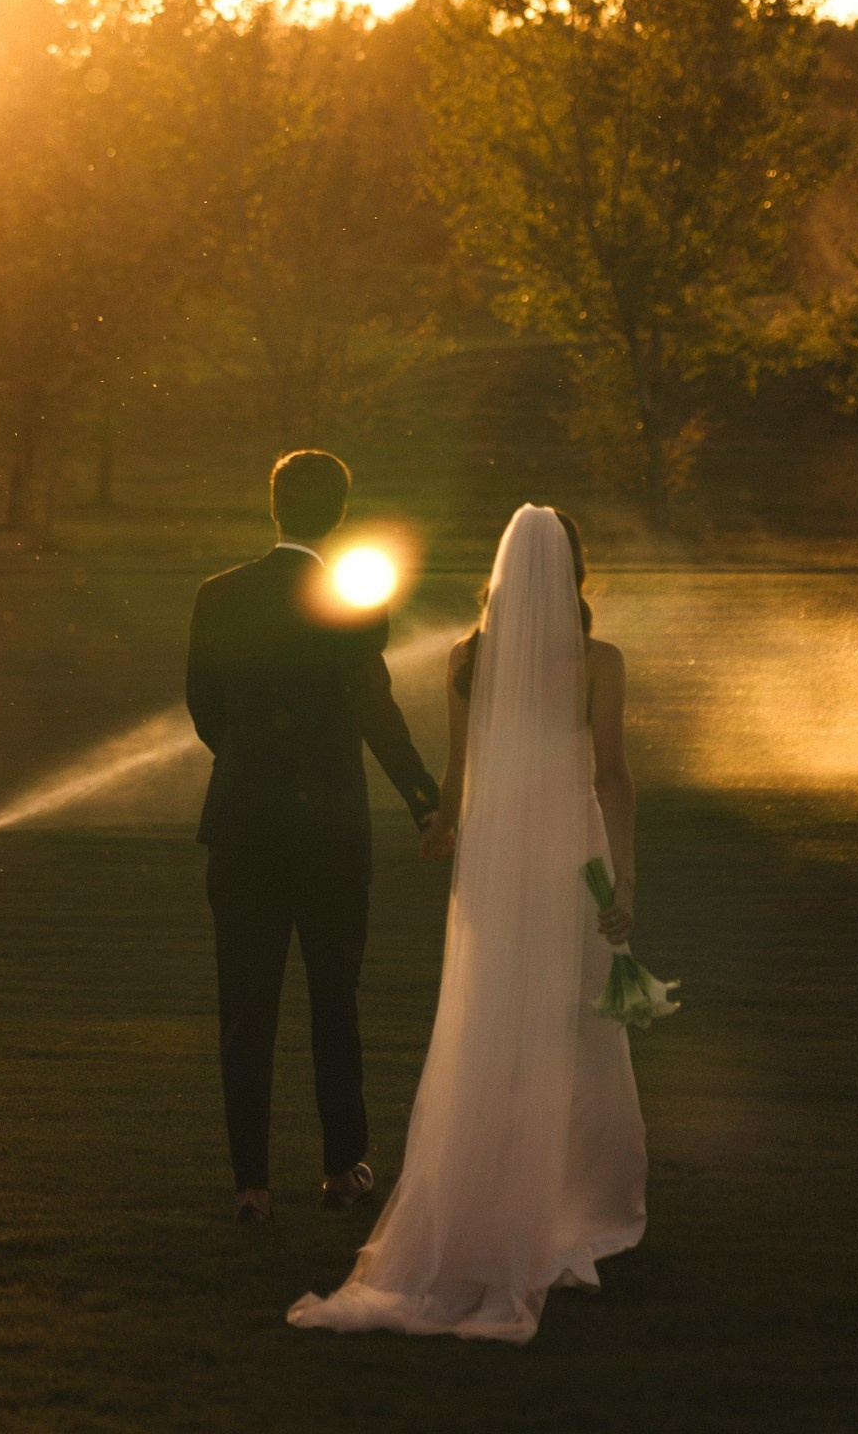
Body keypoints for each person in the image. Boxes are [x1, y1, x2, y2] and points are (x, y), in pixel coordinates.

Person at [289, 503, 648, 1343]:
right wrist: (621, 877)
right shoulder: (599, 661)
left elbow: (460, 775)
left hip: (495, 863)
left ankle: (486, 1202)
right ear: (575, 573)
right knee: (572, 1029)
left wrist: (441, 826)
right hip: (565, 859)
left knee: (490, 1027)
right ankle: (558, 1207)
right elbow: (614, 776)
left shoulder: (465, 658)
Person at [186, 450, 442, 1225]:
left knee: (246, 1007)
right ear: (337, 514)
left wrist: (252, 770)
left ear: (273, 507)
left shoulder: (218, 595)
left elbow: (204, 707)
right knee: (336, 1000)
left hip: (242, 827)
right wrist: (424, 803)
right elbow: (374, 708)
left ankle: (251, 1186)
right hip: (331, 832)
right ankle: (340, 1169)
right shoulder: (353, 599)